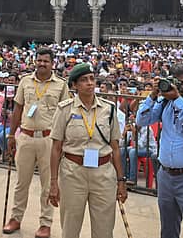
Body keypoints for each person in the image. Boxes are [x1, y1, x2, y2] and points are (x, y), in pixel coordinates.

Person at [135, 62, 183, 238]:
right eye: (175, 82)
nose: (179, 87)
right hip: (165, 176)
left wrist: (178, 99)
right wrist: (153, 95)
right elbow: (141, 120)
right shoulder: (164, 102)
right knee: (168, 230)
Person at [48, 63, 126, 238]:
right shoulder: (64, 109)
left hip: (104, 173)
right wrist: (53, 182)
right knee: (70, 226)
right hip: (73, 172)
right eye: (84, 80)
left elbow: (115, 147)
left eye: (92, 79)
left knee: (104, 229)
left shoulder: (109, 109)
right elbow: (56, 148)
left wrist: (121, 180)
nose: (90, 83)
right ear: (74, 85)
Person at [3, 48, 69, 238]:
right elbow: (18, 109)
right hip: (25, 136)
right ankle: (15, 218)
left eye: (45, 61)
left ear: (52, 63)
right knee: (21, 182)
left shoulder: (61, 85)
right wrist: (11, 135)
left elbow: (65, 115)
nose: (42, 64)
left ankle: (45, 223)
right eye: (39, 60)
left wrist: (63, 142)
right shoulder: (25, 81)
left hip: (49, 140)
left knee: (48, 185)